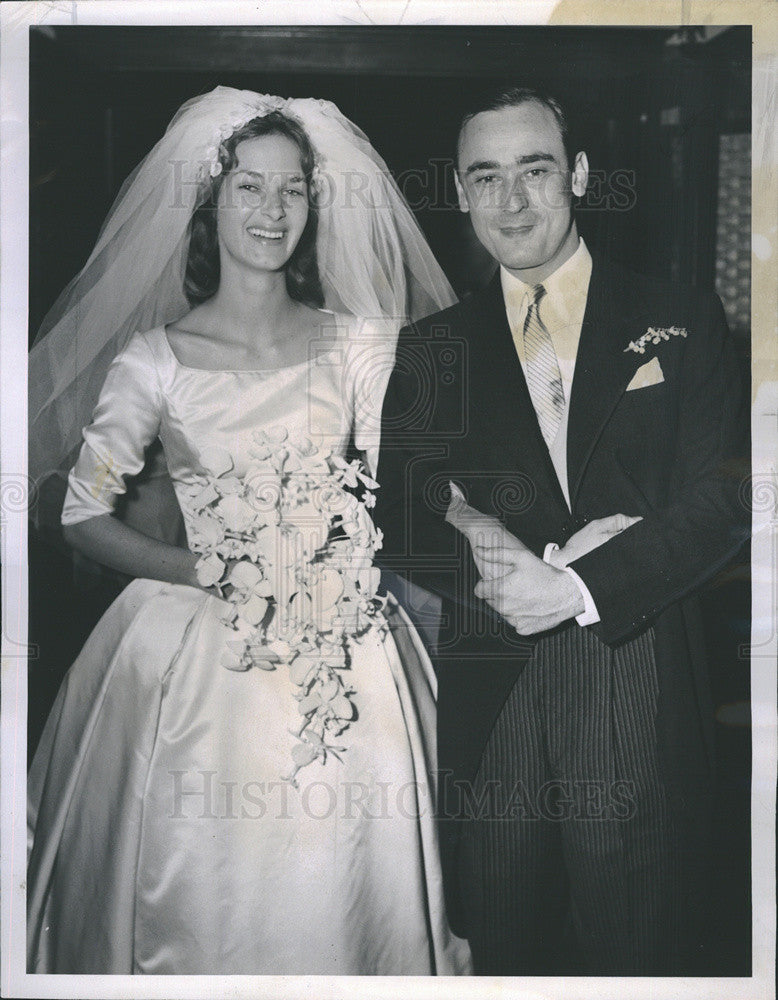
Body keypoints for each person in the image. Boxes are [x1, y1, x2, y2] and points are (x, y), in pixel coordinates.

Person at [26, 86, 472, 976]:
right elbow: (81, 513)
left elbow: (406, 489)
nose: (272, 212)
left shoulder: (361, 345)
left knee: (344, 869)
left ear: (314, 206)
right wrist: (207, 570)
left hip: (343, 638)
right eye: (248, 188)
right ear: (210, 202)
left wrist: (351, 559)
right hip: (192, 648)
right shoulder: (155, 359)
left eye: (293, 190)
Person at [373, 86, 749, 974]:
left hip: (637, 660)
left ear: (576, 175)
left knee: (640, 936)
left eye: (534, 170)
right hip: (493, 678)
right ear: (463, 194)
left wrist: (580, 585)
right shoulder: (436, 347)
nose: (512, 201)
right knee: (505, 935)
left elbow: (724, 498)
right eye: (486, 178)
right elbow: (394, 503)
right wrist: (484, 551)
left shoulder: (683, 316)